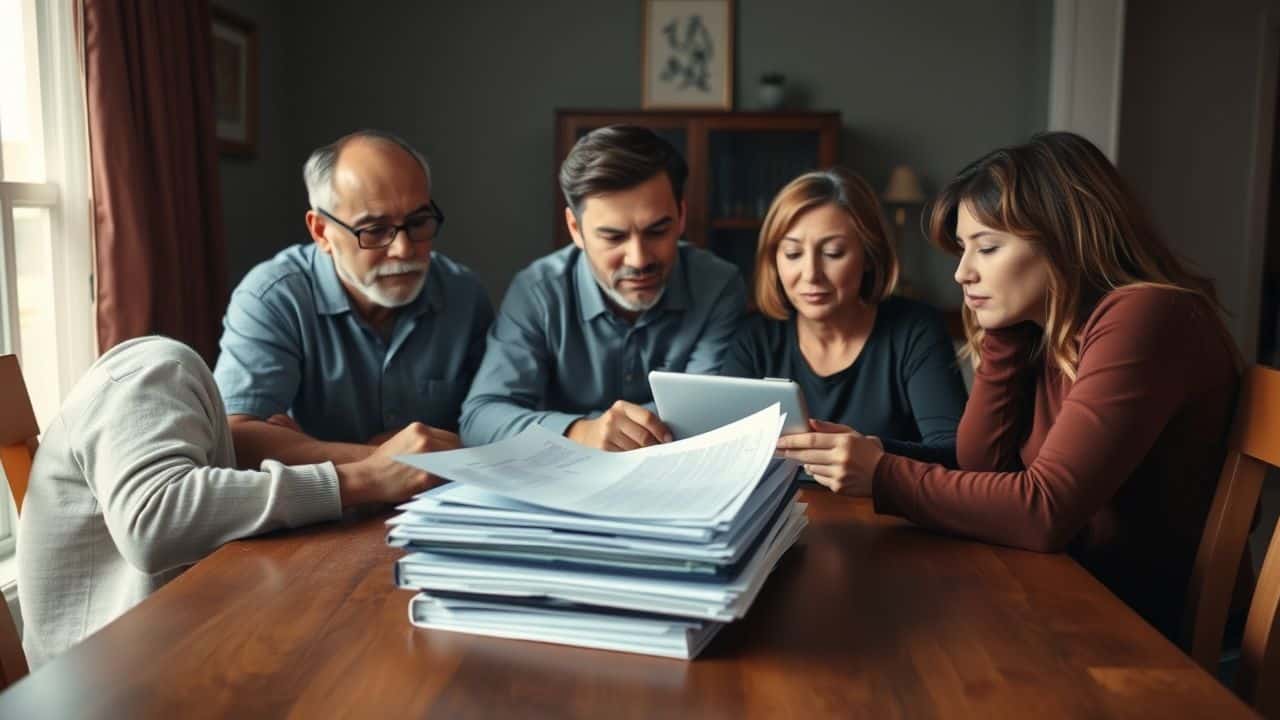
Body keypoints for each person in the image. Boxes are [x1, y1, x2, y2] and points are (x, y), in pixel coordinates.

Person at [776, 132, 1240, 639]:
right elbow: (982, 466)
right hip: (1069, 595)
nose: (961, 273)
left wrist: (883, 473)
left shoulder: (1146, 315)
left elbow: (1043, 512)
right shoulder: (1044, 328)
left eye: (988, 248)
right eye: (962, 250)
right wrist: (872, 452)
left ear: (1064, 239)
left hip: (1144, 633)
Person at [18, 336, 442, 667]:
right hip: (108, 691)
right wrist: (363, 476)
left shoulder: (181, 401)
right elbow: (153, 520)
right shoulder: (154, 366)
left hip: (170, 659)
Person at [213, 130, 492, 468]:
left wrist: (307, 448)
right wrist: (382, 458)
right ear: (321, 232)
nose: (403, 249)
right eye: (374, 231)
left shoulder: (463, 294)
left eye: (418, 222)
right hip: (323, 510)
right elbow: (237, 439)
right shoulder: (274, 297)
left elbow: (488, 425)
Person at [459, 125, 746, 450]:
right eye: (613, 237)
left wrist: (605, 431)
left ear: (680, 216)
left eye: (657, 231)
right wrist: (581, 432)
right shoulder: (537, 291)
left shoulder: (719, 286)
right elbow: (479, 419)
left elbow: (705, 412)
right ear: (575, 229)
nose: (638, 260)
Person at [722, 168, 967, 466]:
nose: (811, 274)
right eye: (792, 254)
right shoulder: (754, 339)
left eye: (833, 253)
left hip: (885, 510)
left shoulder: (914, 329)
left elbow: (955, 454)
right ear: (774, 261)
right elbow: (727, 448)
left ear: (868, 256)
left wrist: (871, 455)